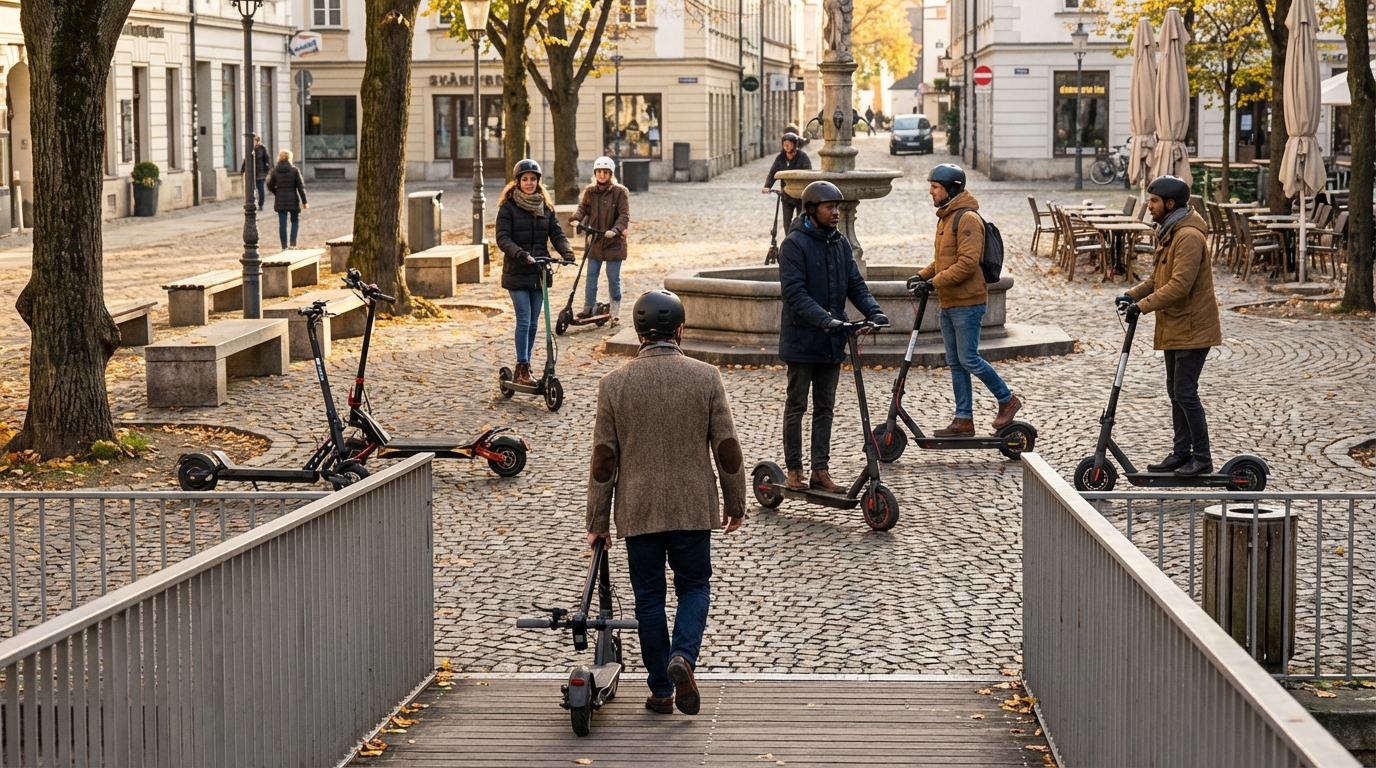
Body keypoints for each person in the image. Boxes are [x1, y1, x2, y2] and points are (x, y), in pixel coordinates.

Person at [586, 289, 746, 717]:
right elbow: (726, 446)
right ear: (680, 330)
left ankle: (660, 689)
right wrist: (736, 502)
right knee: (694, 587)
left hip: (639, 511)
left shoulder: (613, 384)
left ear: (638, 333)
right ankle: (683, 659)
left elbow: (604, 458)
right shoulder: (705, 377)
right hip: (693, 506)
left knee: (648, 598)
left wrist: (598, 519)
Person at [778, 181, 888, 493]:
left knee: (825, 407)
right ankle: (794, 469)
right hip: (802, 342)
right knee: (796, 406)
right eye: (830, 207)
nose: (836, 212)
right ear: (812, 210)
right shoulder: (794, 244)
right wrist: (825, 319)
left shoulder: (839, 244)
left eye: (838, 206)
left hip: (831, 342)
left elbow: (856, 285)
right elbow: (794, 294)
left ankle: (820, 471)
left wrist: (875, 312)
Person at [1117, 175, 1221, 478]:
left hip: (1193, 327)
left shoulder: (1188, 236)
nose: (1149, 206)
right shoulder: (1170, 231)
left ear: (1170, 203)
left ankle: (1202, 458)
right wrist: (1131, 295)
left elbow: (1179, 286)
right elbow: (1158, 279)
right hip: (1177, 325)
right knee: (1175, 392)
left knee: (1186, 392)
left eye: (1153, 201)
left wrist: (1142, 307)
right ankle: (1181, 453)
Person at [909, 164, 1021, 436]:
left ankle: (1007, 400)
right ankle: (963, 419)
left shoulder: (967, 218)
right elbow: (943, 260)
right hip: (949, 301)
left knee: (969, 359)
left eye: (935, 187)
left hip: (968, 302)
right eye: (932, 186)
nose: (931, 192)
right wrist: (920, 275)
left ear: (951, 189)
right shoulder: (946, 217)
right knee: (956, 362)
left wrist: (932, 283)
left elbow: (968, 264)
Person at [496, 159, 575, 386]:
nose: (529, 183)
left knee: (533, 323)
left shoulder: (545, 208)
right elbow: (503, 238)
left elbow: (557, 234)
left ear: (538, 181)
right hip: (517, 271)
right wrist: (520, 254)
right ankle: (522, 367)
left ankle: (526, 365)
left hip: (539, 271)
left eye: (533, 179)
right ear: (517, 182)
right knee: (524, 320)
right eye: (525, 179)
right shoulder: (508, 207)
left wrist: (567, 252)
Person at [570, 156, 631, 323]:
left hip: (613, 242)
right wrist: (576, 218)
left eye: (605, 172)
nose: (602, 175)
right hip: (595, 241)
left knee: (613, 278)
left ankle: (615, 310)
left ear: (610, 174)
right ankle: (588, 307)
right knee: (591, 276)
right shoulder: (590, 191)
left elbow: (624, 215)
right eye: (599, 172)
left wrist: (615, 230)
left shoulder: (620, 192)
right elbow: (583, 208)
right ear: (595, 173)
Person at [761, 132, 813, 229]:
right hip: (787, 195)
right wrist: (767, 186)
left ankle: (800, 240)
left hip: (800, 196)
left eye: (789, 143)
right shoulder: (781, 158)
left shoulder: (802, 157)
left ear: (795, 144)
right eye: (785, 144)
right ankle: (789, 241)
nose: (787, 146)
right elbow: (773, 173)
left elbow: (808, 173)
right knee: (787, 223)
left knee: (800, 222)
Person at [265, 150, 307, 249]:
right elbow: (301, 187)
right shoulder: (294, 170)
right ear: (289, 158)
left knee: (282, 223)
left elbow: (269, 185)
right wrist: (304, 201)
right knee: (295, 221)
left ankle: (284, 246)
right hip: (292, 199)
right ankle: (293, 244)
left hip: (280, 200)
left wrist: (277, 193)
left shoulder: (275, 171)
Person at [240, 135, 271, 211]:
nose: (256, 142)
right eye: (255, 140)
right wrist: (242, 170)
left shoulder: (262, 149)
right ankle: (251, 204)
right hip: (252, 173)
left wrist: (267, 170)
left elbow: (267, 159)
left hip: (261, 174)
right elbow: (246, 160)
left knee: (261, 190)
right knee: (251, 190)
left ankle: (260, 205)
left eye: (257, 140)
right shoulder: (250, 148)